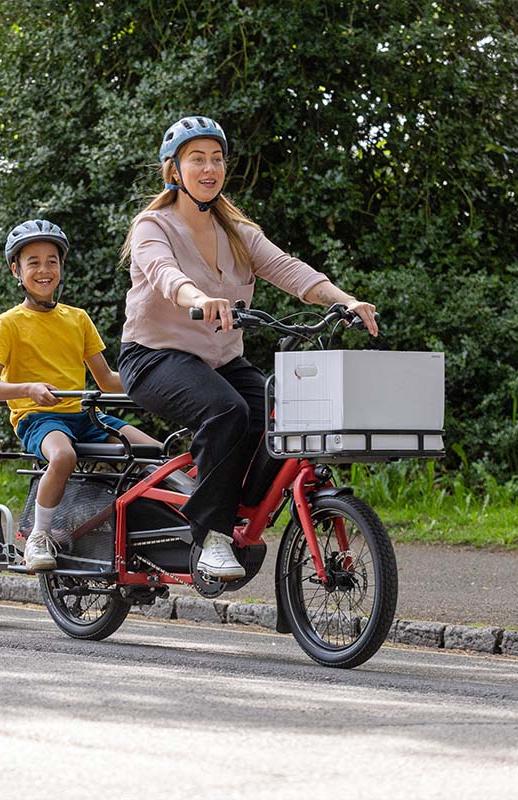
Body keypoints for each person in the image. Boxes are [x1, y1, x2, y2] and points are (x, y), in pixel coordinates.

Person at [118, 116, 379, 580]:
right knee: (228, 412)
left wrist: (344, 300)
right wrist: (198, 299)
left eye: (217, 159)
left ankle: (242, 511)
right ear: (174, 171)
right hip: (154, 357)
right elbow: (163, 274)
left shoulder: (238, 232)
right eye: (196, 159)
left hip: (220, 360)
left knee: (284, 413)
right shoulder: (151, 226)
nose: (209, 168)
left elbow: (289, 269)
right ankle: (212, 535)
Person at [0, 219, 158, 572]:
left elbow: (106, 379)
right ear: (16, 270)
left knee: (155, 454)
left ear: (61, 267)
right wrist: (28, 389)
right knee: (62, 456)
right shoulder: (9, 323)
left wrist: (155, 382)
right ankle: (39, 537)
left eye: (52, 261)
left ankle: (135, 530)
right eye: (34, 262)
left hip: (84, 416)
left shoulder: (77, 319)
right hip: (40, 418)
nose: (44, 270)